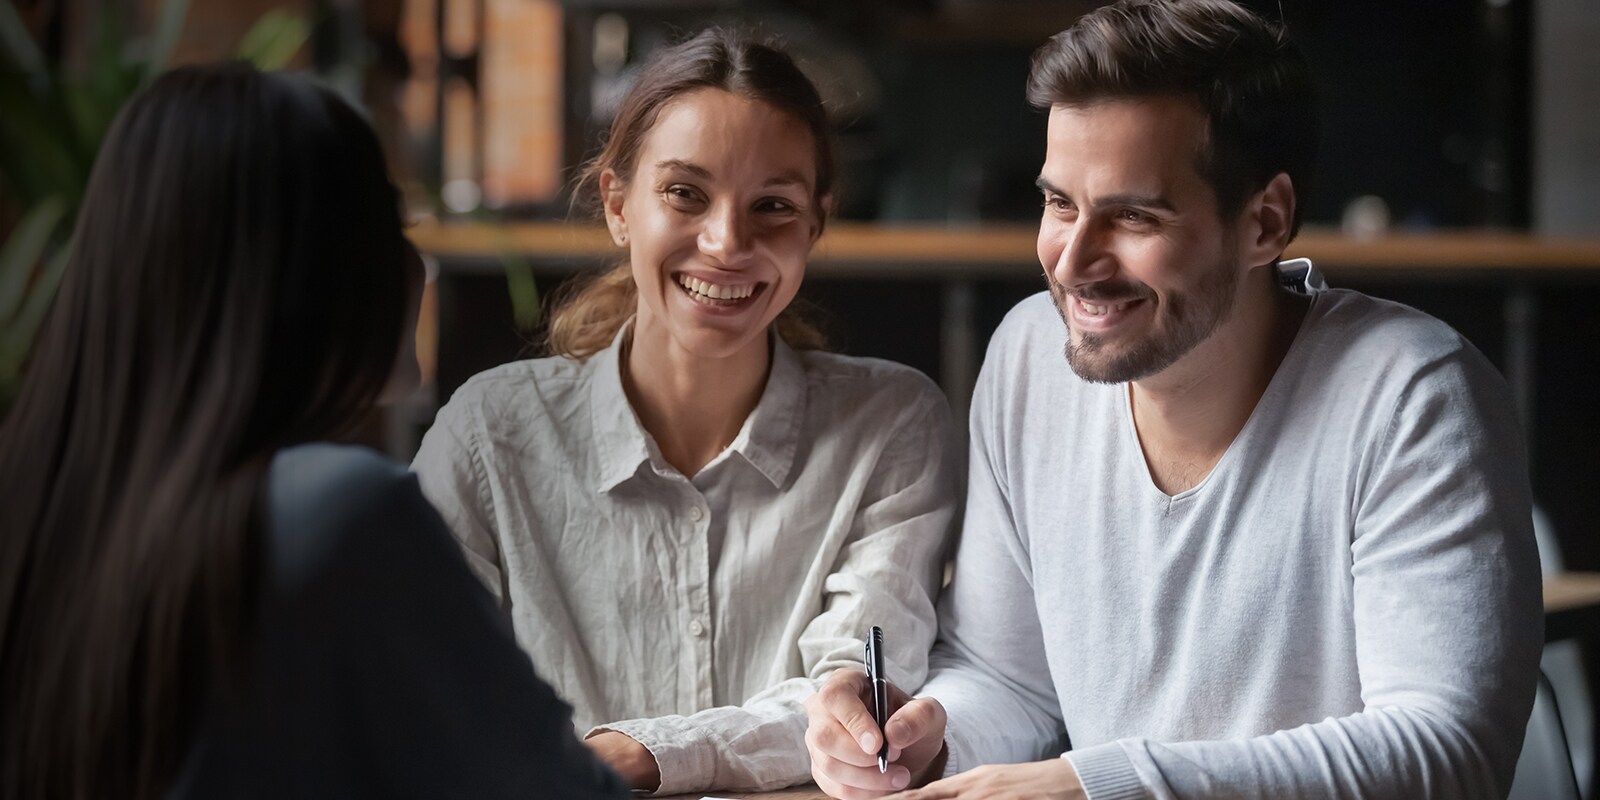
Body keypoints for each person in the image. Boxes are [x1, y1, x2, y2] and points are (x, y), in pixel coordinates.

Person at [803, 1, 1542, 798]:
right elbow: (1007, 677)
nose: (1075, 262)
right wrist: (928, 737)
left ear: (1265, 222)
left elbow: (1448, 754)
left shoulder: (1412, 396)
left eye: (1132, 215)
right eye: (1059, 204)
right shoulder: (1029, 358)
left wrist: (1094, 787)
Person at [0, 63, 626, 800]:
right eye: (389, 226)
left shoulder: (37, 503)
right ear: (314, 269)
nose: (414, 264)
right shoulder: (343, 515)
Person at [411, 28, 958, 797]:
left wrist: (640, 753)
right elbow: (426, 702)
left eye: (773, 205)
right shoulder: (487, 436)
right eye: (685, 193)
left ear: (815, 226)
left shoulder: (892, 423)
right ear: (617, 205)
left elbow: (851, 710)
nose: (727, 242)